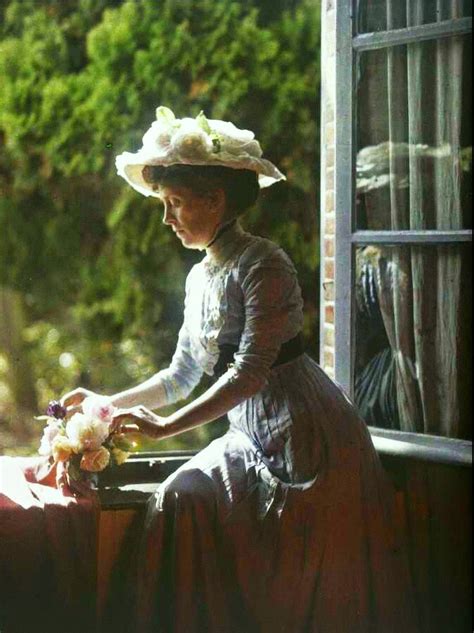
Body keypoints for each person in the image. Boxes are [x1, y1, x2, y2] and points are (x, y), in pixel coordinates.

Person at [62, 107, 418, 633]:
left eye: (175, 203)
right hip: (248, 432)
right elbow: (181, 374)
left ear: (216, 199)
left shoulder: (263, 264)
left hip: (305, 434)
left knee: (298, 581)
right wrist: (105, 405)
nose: (167, 219)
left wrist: (165, 428)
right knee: (180, 496)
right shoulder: (200, 276)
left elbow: (250, 373)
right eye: (164, 204)